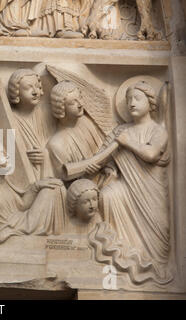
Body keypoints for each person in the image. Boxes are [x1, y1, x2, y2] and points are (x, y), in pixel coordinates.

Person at [0, 69, 66, 244]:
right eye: (1, 156)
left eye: (4, 154)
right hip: (11, 228)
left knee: (55, 189)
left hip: (21, 219)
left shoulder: (6, 184)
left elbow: (22, 205)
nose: (6, 157)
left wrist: (39, 180)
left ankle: (50, 241)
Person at [96, 80, 172, 284]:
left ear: (150, 103)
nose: (131, 103)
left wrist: (127, 142)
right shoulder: (120, 130)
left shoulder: (158, 130)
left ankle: (154, 268)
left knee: (160, 238)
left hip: (151, 191)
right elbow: (103, 157)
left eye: (137, 99)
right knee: (108, 194)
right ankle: (124, 255)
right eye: (128, 99)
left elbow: (151, 154)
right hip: (126, 188)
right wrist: (110, 169)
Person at [46, 80, 106, 182]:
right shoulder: (57, 143)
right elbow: (63, 176)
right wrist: (85, 169)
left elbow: (103, 149)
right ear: (61, 108)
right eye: (73, 102)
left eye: (80, 98)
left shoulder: (86, 122)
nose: (80, 104)